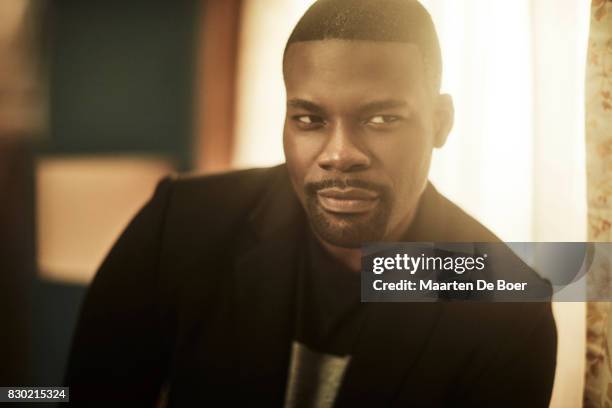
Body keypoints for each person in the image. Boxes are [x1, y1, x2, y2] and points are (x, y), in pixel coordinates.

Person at [65, 0, 557, 406]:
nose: (340, 155)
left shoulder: (506, 305)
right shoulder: (183, 225)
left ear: (441, 122)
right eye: (309, 120)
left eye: (382, 119)